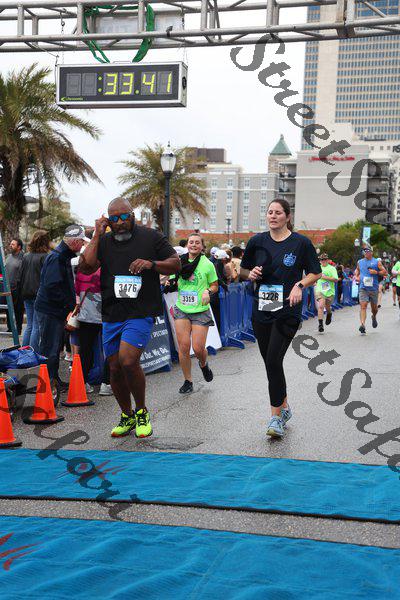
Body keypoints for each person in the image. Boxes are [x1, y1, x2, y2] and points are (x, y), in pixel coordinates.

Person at [79, 197, 180, 439]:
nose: (120, 222)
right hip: (112, 312)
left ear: (132, 215)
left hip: (140, 310)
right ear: (108, 220)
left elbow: (176, 264)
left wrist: (151, 264)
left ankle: (142, 411)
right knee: (114, 367)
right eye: (114, 218)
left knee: (128, 359)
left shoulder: (150, 237)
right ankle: (127, 415)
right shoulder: (103, 241)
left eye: (125, 216)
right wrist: (96, 234)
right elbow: (86, 267)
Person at [240, 198, 321, 438]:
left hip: (288, 310)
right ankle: (284, 407)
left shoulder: (300, 243)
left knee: (274, 359)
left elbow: (315, 273)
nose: (273, 216)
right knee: (270, 362)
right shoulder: (256, 241)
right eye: (270, 212)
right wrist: (250, 274)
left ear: (287, 217)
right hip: (262, 309)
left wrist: (299, 285)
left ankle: (275, 417)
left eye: (278, 212)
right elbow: (242, 270)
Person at [35, 225, 87, 389]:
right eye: (81, 242)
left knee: (55, 346)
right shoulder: (57, 257)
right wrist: (68, 306)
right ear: (75, 242)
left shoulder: (62, 255)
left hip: (54, 309)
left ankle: (54, 379)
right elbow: (52, 286)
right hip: (50, 309)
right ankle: (48, 383)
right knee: (50, 347)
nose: (83, 245)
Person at [171, 232, 218, 394]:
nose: (194, 245)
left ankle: (203, 364)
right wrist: (169, 282)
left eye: (197, 243)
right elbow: (172, 279)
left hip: (200, 311)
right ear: (187, 245)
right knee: (184, 347)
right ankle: (188, 381)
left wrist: (207, 291)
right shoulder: (179, 262)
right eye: (191, 242)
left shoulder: (207, 264)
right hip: (182, 309)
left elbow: (215, 285)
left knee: (198, 349)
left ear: (202, 246)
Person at [74, 267, 112, 395]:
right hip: (107, 314)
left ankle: (83, 382)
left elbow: (76, 291)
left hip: (86, 315)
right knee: (111, 348)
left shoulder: (81, 270)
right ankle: (107, 383)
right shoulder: (108, 268)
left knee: (85, 350)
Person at [19, 230, 51, 350]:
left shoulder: (26, 256)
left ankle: (24, 351)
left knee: (30, 325)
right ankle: (32, 353)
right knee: (36, 326)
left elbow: (21, 276)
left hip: (26, 293)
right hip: (39, 294)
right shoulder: (46, 257)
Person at [354, 247, 387, 334]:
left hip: (373, 288)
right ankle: (362, 325)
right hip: (363, 287)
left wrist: (376, 272)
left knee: (374, 309)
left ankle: (374, 316)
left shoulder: (377, 262)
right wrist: (356, 276)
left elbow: (385, 272)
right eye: (365, 251)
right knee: (363, 305)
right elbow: (357, 270)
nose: (366, 252)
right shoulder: (360, 262)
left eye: (368, 251)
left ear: (371, 252)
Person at [314, 253, 338, 333]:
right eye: (322, 260)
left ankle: (329, 314)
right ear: (320, 261)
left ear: (327, 260)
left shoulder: (332, 268)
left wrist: (325, 277)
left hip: (329, 291)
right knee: (321, 306)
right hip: (320, 290)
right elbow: (313, 276)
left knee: (327, 307)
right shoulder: (317, 268)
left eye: (325, 259)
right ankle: (320, 325)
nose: (323, 261)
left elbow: (335, 279)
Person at [5, 238, 24, 335]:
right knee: (8, 308)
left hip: (18, 289)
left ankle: (18, 329)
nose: (10, 246)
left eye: (13, 244)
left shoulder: (23, 258)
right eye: (10, 244)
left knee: (18, 310)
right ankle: (10, 328)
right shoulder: (8, 257)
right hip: (7, 288)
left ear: (19, 247)